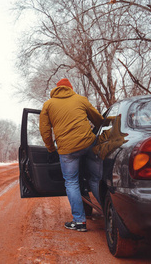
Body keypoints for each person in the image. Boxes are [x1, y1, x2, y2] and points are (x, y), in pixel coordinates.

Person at [39, 78, 103, 232]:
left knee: (71, 182)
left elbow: (45, 131)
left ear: (57, 89)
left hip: (67, 150)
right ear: (70, 88)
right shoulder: (81, 99)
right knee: (96, 178)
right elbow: (99, 120)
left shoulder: (48, 105)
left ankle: (79, 221)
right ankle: (110, 213)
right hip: (88, 144)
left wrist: (50, 149)